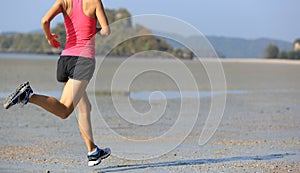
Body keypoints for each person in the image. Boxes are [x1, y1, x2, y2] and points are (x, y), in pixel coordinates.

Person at [3, 0, 111, 167]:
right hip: (82, 61)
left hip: (65, 60)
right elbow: (106, 31)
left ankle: (93, 152)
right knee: (65, 110)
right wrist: (95, 29)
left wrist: (49, 37)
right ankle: (29, 95)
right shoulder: (94, 1)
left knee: (84, 107)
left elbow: (45, 21)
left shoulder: (63, 1)